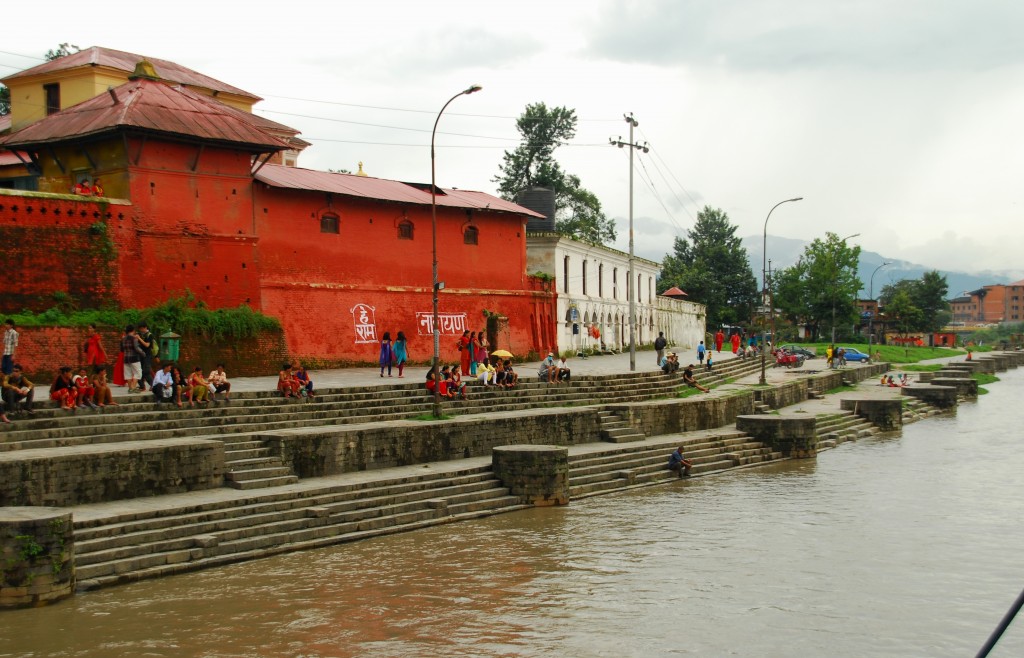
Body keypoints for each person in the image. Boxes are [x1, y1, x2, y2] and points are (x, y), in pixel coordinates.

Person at [121, 325, 146, 393]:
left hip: (126, 358)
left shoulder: (123, 339)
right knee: (138, 373)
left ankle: (130, 388)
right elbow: (136, 348)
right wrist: (143, 353)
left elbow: (122, 349)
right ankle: (133, 387)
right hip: (134, 358)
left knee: (128, 374)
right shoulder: (134, 338)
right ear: (133, 330)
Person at [136, 323, 156, 392]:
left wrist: (139, 338)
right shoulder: (140, 335)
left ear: (145, 327)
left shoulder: (150, 335)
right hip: (141, 355)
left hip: (147, 355)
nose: (141, 330)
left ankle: (153, 385)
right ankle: (142, 386)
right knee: (139, 371)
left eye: (141, 328)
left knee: (146, 371)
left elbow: (147, 345)